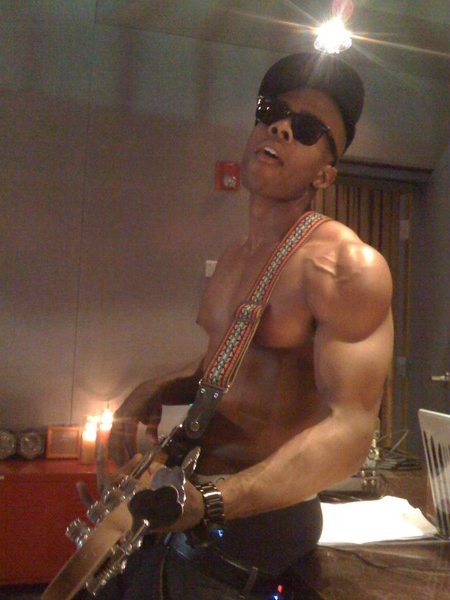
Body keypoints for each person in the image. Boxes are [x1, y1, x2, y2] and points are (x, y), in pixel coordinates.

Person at [80, 52, 393, 599]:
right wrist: (158, 390)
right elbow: (226, 365)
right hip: (188, 498)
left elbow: (351, 428)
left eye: (307, 128)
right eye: (272, 111)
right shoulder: (233, 257)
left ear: (325, 173)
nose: (280, 127)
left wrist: (211, 502)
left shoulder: (346, 266)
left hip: (259, 518)